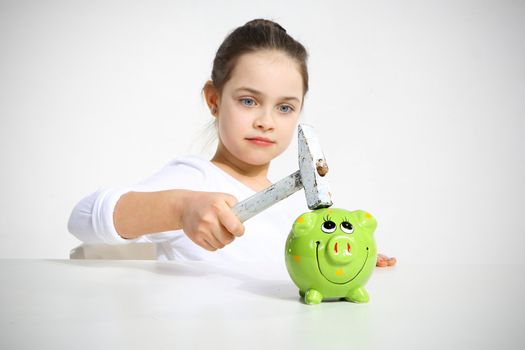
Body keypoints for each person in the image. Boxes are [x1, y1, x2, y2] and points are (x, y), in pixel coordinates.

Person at [68, 18, 396, 266]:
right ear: (214, 99)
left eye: (284, 107)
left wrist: (346, 257)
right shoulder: (196, 182)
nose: (265, 121)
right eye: (249, 101)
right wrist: (180, 209)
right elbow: (82, 219)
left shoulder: (297, 205)